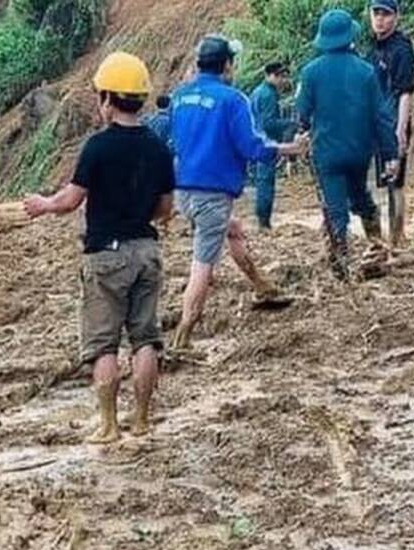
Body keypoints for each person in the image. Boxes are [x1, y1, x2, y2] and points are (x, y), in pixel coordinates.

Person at [23, 52, 174, 445]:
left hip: (105, 256)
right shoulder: (159, 148)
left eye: (99, 97)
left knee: (103, 343)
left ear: (108, 98)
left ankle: (108, 425)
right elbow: (165, 210)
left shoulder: (97, 147)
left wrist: (43, 204)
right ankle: (141, 419)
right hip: (146, 251)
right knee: (146, 339)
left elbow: (71, 200)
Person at [169, 34, 306, 352]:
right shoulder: (233, 100)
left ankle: (262, 286)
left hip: (184, 191)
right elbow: (252, 147)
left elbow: (175, 140)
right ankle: (183, 335)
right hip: (213, 194)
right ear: (227, 65)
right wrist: (290, 148)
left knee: (233, 230)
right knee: (202, 264)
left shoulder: (179, 97)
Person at [296, 9, 399, 280]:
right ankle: (377, 246)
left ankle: (340, 266)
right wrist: (390, 153)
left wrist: (303, 132)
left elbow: (302, 114)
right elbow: (381, 116)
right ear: (350, 37)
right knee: (360, 196)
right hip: (358, 152)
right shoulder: (365, 71)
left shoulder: (310, 72)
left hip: (327, 154)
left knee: (335, 209)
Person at [368, 0, 414, 249]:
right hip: (377, 125)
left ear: (396, 16)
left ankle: (395, 242)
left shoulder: (401, 49)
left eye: (385, 14)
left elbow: (405, 92)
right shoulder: (373, 47)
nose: (380, 19)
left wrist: (400, 129)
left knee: (395, 185)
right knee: (385, 183)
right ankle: (392, 237)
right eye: (376, 13)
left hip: (393, 125)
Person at [249, 62, 295, 230]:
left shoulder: (257, 92)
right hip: (266, 142)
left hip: (256, 141)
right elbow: (269, 123)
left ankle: (263, 220)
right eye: (281, 76)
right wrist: (290, 124)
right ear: (270, 76)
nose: (284, 80)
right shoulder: (268, 94)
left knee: (262, 182)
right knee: (265, 183)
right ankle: (264, 222)